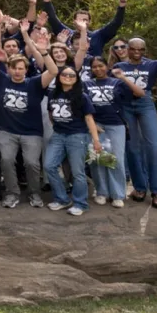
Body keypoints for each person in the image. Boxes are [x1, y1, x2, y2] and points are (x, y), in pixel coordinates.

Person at [0, 18, 57, 209]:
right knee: (7, 160)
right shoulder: (2, 79)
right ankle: (12, 193)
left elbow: (52, 71)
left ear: (26, 70)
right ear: (9, 69)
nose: (18, 71)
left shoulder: (35, 83)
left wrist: (44, 51)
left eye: (21, 68)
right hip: (7, 131)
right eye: (14, 68)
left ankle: (35, 193)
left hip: (31, 132)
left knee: (31, 163)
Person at [114, 37, 157, 208]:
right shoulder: (120, 67)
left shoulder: (152, 65)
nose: (136, 52)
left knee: (154, 146)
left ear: (144, 50)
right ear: (128, 48)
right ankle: (140, 188)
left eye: (140, 50)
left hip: (145, 103)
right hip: (126, 104)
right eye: (133, 49)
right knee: (132, 147)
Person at [43, 66, 103, 216]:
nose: (67, 77)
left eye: (72, 75)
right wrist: (58, 126)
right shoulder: (52, 93)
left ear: (77, 79)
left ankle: (80, 203)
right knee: (49, 165)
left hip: (77, 136)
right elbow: (51, 114)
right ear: (59, 76)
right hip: (58, 135)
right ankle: (62, 199)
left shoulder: (82, 96)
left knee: (77, 172)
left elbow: (89, 119)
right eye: (64, 74)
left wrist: (96, 140)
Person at [85, 56, 143, 208]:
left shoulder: (117, 82)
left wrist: (123, 77)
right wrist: (92, 125)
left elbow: (139, 93)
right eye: (94, 67)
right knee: (97, 158)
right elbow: (81, 106)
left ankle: (117, 193)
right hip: (95, 124)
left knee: (116, 158)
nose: (98, 69)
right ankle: (101, 192)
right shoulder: (86, 84)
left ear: (107, 66)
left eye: (101, 66)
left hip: (116, 124)